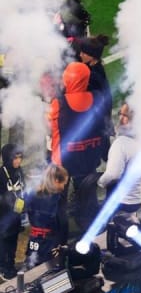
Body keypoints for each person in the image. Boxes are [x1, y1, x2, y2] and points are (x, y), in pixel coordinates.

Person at [48, 62, 106, 205]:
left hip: (66, 159)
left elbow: (55, 133)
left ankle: (61, 225)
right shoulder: (98, 97)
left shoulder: (59, 103)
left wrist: (55, 162)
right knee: (87, 195)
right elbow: (102, 127)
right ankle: (89, 221)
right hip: (90, 156)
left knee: (59, 199)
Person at [98, 103, 141, 233]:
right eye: (120, 114)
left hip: (122, 202)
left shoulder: (121, 144)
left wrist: (100, 182)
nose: (120, 118)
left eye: (125, 116)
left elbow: (113, 175)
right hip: (140, 201)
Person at [75, 35, 114, 159]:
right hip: (100, 119)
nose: (80, 55)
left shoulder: (93, 76)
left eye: (83, 53)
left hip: (97, 120)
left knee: (100, 150)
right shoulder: (93, 68)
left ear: (92, 56)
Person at [25, 164, 69, 269]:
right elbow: (63, 223)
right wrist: (63, 244)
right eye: (64, 183)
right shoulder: (58, 199)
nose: (63, 187)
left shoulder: (31, 194)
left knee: (32, 269)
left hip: (34, 241)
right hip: (52, 244)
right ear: (57, 180)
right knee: (53, 274)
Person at [0, 144, 25, 280]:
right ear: (8, 158)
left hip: (16, 215)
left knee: (14, 240)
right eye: (15, 158)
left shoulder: (20, 171)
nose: (18, 161)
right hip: (3, 217)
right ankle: (4, 267)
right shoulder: (1, 173)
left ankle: (11, 264)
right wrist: (7, 200)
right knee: (5, 241)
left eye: (20, 157)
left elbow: (23, 188)